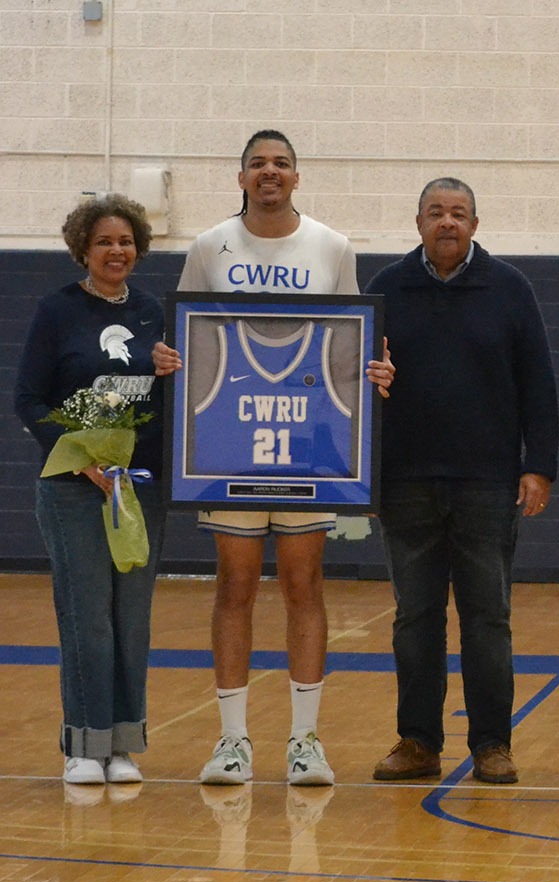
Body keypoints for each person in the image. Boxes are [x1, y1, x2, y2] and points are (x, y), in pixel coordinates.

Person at [159, 129, 391, 787]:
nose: (269, 173)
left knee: (302, 585)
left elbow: (349, 345)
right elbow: (189, 340)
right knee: (233, 587)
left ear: (297, 177)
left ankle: (304, 742)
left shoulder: (331, 246)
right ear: (241, 178)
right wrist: (168, 360)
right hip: (230, 443)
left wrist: (375, 371)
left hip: (307, 444)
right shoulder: (210, 246)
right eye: (257, 164)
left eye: (281, 164)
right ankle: (232, 742)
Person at [364, 178, 558, 785]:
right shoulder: (387, 288)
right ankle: (418, 741)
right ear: (417, 221)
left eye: (458, 213)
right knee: (414, 617)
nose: (447, 222)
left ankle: (492, 745)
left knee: (487, 618)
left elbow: (537, 383)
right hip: (405, 480)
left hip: (487, 482)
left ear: (475, 223)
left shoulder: (510, 288)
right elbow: (354, 382)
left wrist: (539, 466)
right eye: (435, 213)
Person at [15, 195, 175, 784]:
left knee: (131, 617)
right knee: (87, 617)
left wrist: (168, 376)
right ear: (82, 247)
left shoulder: (154, 313)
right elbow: (29, 399)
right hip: (72, 488)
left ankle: (123, 744)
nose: (117, 251)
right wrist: (84, 459)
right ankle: (84, 745)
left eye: (126, 241)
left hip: (136, 490)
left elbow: (166, 407)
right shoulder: (56, 311)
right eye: (105, 241)